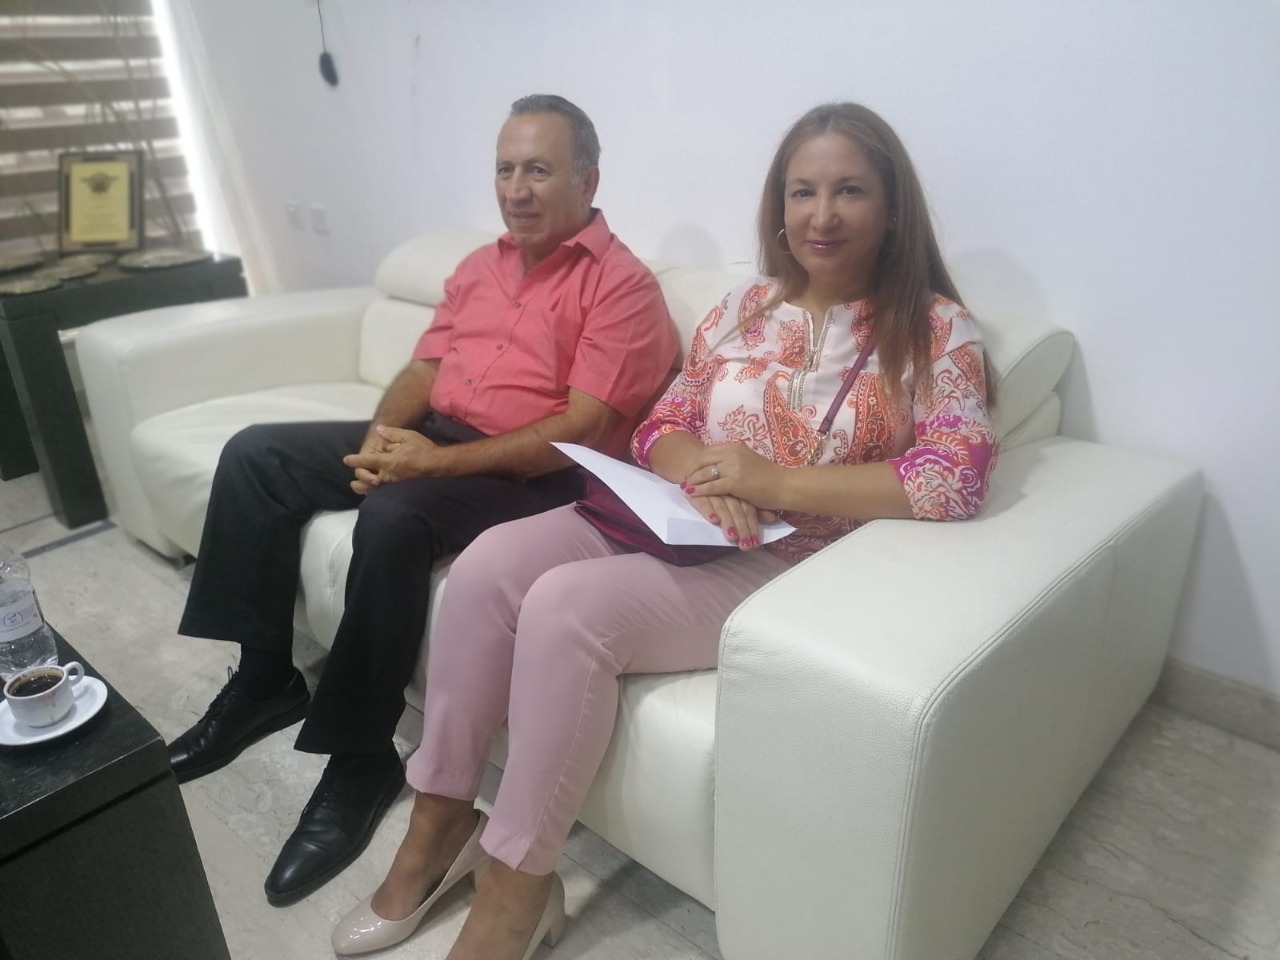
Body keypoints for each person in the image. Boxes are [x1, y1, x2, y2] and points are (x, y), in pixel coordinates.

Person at [329, 101, 999, 960]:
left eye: (850, 191)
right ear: (779, 205)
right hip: (679, 515)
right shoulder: (743, 307)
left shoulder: (936, 329)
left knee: (566, 609)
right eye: (802, 191)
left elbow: (953, 475)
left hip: (791, 555)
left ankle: (516, 889)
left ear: (893, 207)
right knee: (489, 565)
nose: (821, 215)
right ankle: (438, 823)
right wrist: (705, 473)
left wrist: (768, 482)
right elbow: (660, 424)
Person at [164, 93, 679, 906]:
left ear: (588, 180)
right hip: (443, 439)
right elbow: (424, 370)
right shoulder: (481, 266)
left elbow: (579, 430)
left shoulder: (622, 287)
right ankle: (264, 679)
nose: (516, 190)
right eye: (505, 170)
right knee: (258, 454)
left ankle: (361, 756)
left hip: (541, 479)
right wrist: (383, 441)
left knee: (395, 517)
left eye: (538, 171)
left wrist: (429, 468)